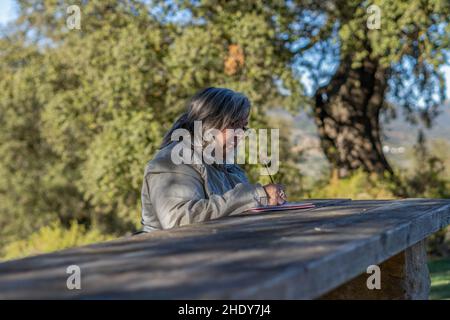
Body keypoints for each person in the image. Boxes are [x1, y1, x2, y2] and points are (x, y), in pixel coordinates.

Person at [140, 87, 286, 232]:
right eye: (234, 125)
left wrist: (267, 200)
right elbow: (179, 221)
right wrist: (256, 195)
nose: (241, 135)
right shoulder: (174, 159)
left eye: (243, 128)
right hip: (172, 252)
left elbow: (234, 210)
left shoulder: (225, 164)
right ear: (209, 123)